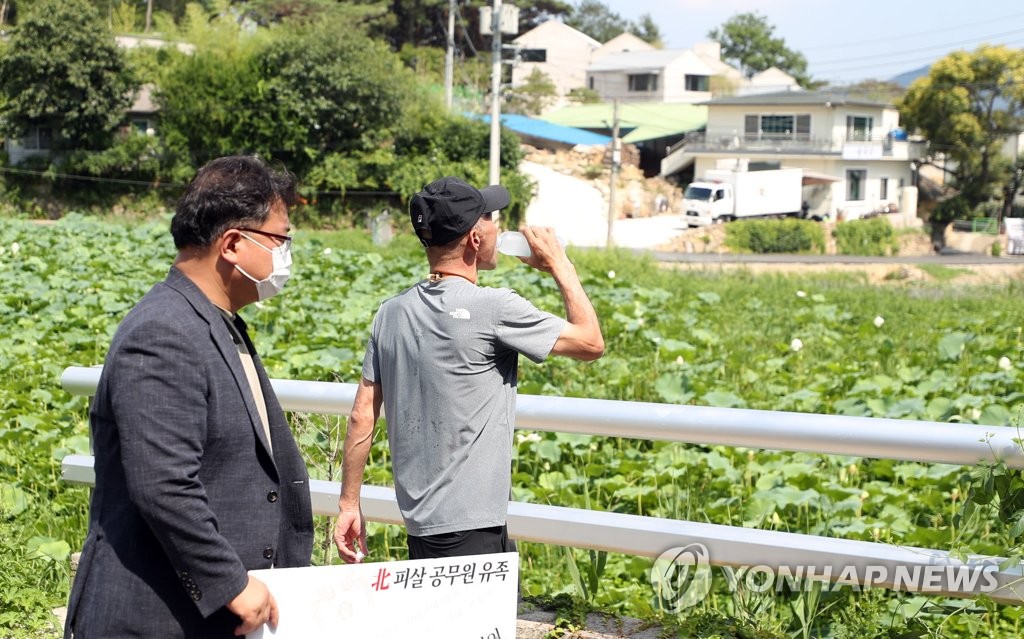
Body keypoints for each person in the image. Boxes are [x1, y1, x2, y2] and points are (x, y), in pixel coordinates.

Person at [65, 156, 314, 638]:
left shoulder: (214, 321)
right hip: (155, 617)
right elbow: (163, 483)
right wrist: (231, 583)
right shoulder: (163, 331)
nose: (286, 254)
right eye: (282, 239)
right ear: (234, 244)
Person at [333, 176, 604, 562]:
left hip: (418, 525)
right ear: (475, 238)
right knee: (479, 625)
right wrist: (561, 264)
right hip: (474, 526)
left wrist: (348, 503)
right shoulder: (495, 307)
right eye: (492, 218)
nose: (500, 227)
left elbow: (362, 416)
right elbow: (591, 343)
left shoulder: (390, 312)